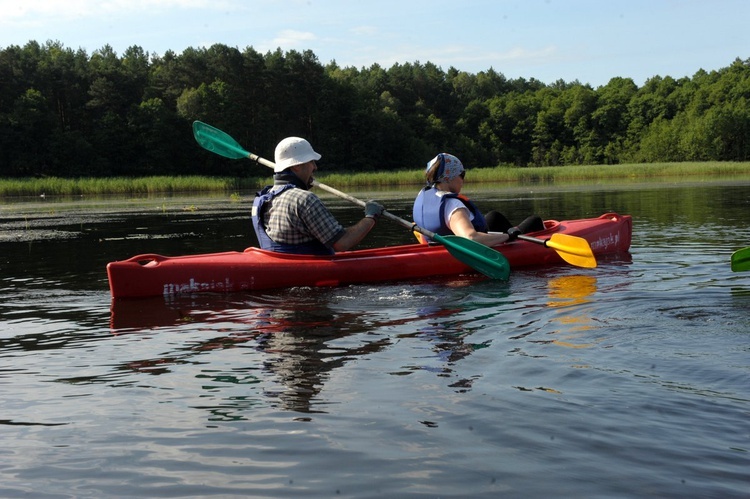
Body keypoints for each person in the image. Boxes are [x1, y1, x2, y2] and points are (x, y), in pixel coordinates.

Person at [252, 136, 385, 255]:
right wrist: (371, 217)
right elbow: (342, 243)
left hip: (279, 265)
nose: (315, 167)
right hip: (308, 270)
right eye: (311, 162)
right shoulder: (304, 199)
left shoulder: (263, 197)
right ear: (297, 166)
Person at [413, 153, 544, 246]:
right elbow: (470, 238)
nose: (463, 179)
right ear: (449, 177)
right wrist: (508, 236)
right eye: (461, 174)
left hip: (440, 242)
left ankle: (513, 232)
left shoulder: (423, 195)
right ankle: (522, 243)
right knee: (535, 221)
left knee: (494, 216)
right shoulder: (452, 205)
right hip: (467, 249)